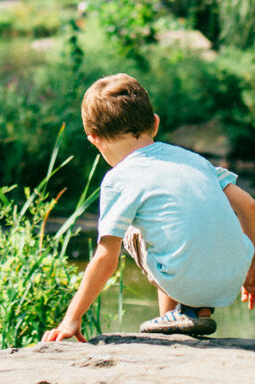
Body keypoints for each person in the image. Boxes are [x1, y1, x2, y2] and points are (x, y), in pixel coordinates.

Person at [42, 73, 255, 342]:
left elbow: (106, 259)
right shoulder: (194, 160)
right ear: (155, 124)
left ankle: (175, 317)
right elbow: (249, 206)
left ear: (94, 139)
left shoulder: (119, 180)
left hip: (189, 277)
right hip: (232, 278)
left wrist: (71, 319)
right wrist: (250, 269)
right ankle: (188, 313)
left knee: (133, 228)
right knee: (170, 220)